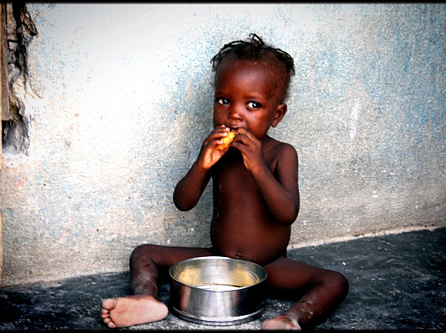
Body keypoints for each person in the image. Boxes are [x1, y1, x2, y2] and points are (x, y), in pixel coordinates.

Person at [101, 33, 348, 330]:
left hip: (269, 266)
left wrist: (258, 167)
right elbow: (183, 202)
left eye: (252, 105)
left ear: (277, 115)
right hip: (218, 261)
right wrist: (202, 165)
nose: (234, 114)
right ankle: (146, 300)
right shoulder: (216, 151)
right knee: (143, 253)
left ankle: (290, 320)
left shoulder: (281, 153)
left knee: (334, 281)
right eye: (223, 100)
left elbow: (287, 213)